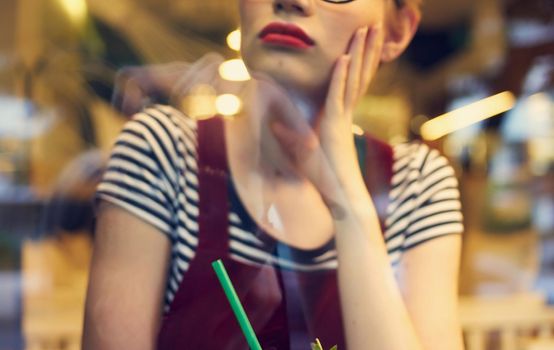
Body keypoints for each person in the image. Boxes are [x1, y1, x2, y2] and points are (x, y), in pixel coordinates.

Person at [83, 0, 465, 349]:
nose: (291, 0)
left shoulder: (416, 184)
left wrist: (347, 198)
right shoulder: (164, 152)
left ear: (397, 30)